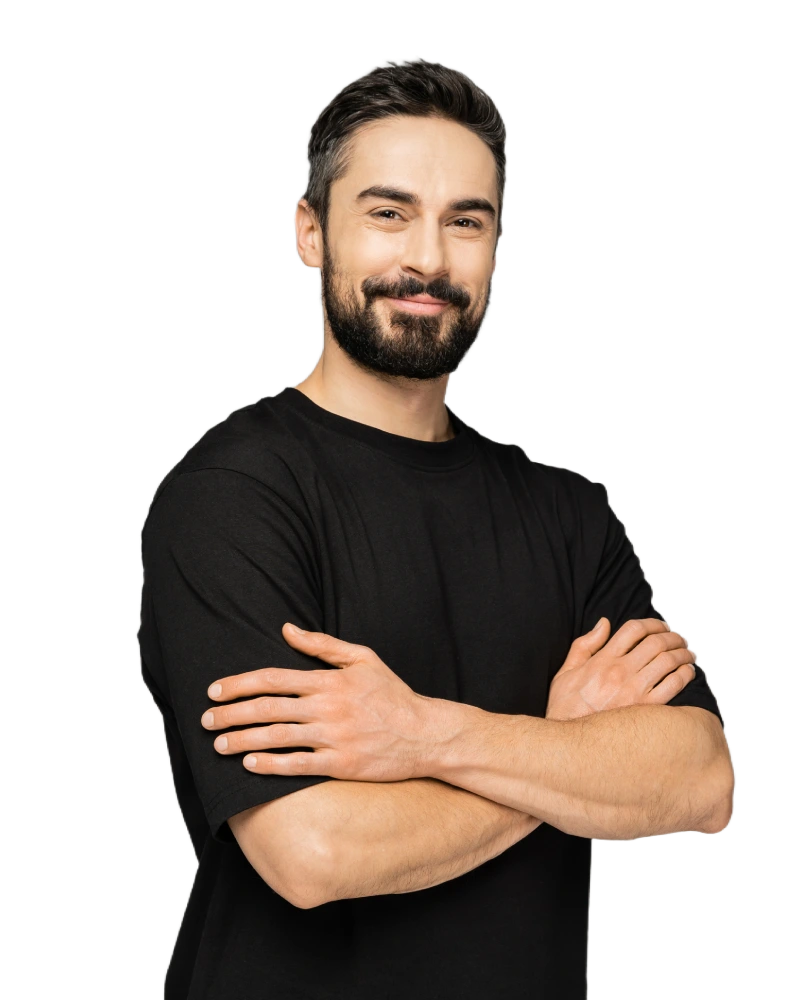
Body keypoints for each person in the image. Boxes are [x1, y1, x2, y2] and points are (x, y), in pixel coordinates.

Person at [138, 57, 733, 1000]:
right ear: (308, 232)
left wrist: (424, 736)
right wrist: (561, 747)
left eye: (467, 221)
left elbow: (698, 779)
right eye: (387, 212)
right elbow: (313, 850)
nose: (429, 258)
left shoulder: (567, 513)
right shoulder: (234, 493)